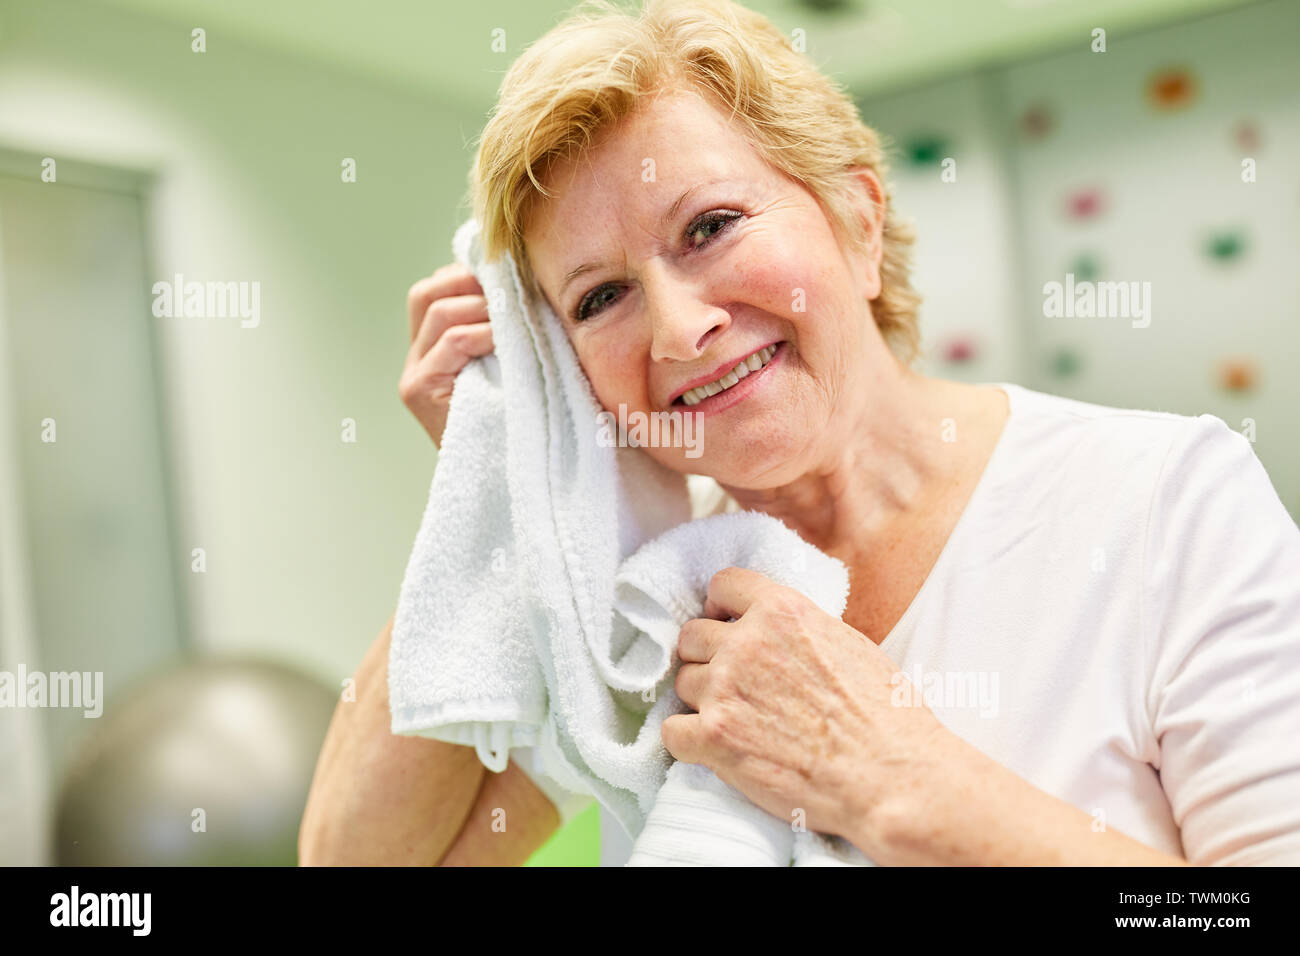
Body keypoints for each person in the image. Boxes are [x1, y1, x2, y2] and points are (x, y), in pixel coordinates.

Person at [299, 0, 1300, 866]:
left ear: (857, 221)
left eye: (710, 225)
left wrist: (883, 775)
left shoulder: (1164, 500)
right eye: (600, 296)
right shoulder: (645, 594)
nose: (682, 326)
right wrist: (502, 490)